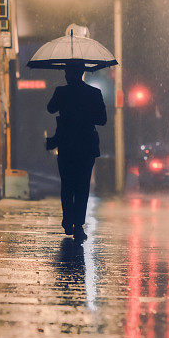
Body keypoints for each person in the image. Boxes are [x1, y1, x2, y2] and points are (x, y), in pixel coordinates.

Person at [47, 62, 107, 242]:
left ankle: (68, 220)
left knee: (67, 184)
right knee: (82, 186)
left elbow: (50, 108)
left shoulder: (61, 92)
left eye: (67, 71)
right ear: (82, 73)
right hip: (86, 145)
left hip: (66, 144)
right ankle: (78, 225)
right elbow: (102, 120)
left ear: (69, 73)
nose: (65, 74)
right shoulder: (94, 93)